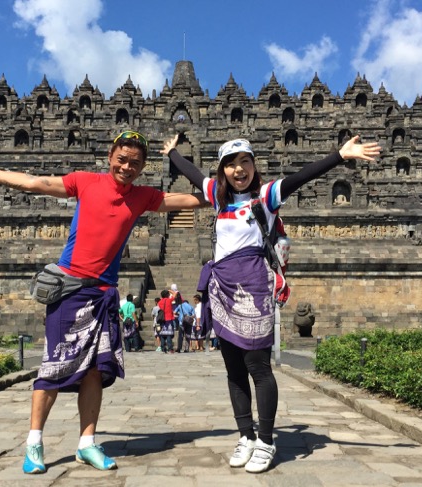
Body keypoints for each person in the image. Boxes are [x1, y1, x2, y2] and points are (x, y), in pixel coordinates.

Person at [0, 130, 205, 474]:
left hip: (103, 293)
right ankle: (34, 443)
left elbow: (191, 201)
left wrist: (233, 194)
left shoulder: (144, 197)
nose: (127, 167)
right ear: (109, 156)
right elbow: (35, 183)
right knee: (53, 367)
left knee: (95, 370)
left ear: (143, 166)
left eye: (135, 163)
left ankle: (87, 443)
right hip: (70, 287)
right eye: (122, 160)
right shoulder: (86, 182)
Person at [162, 133, 380, 473]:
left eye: (245, 162)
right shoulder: (217, 199)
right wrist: (172, 152)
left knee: (258, 368)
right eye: (231, 164)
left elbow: (301, 177)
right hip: (223, 291)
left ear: (253, 166)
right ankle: (245, 436)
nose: (238, 170)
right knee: (233, 371)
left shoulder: (265, 197)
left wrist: (340, 155)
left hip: (254, 290)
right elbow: (190, 171)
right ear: (222, 170)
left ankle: (265, 440)